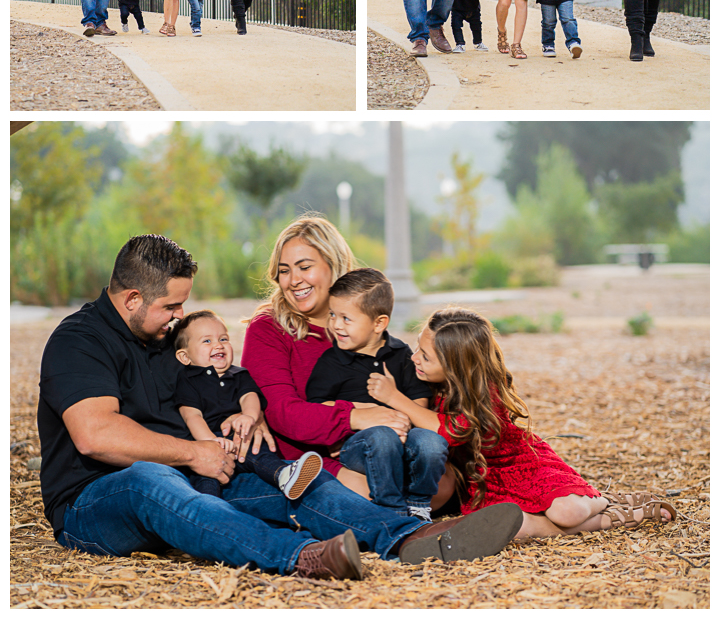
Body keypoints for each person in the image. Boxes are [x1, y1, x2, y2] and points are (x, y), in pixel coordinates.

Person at [37, 234, 521, 575]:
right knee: (149, 477)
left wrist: (244, 416)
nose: (179, 317)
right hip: (98, 503)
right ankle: (301, 556)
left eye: (183, 306)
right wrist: (191, 452)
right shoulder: (78, 341)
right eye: (171, 307)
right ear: (133, 297)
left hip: (202, 476)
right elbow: (95, 434)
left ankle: (408, 537)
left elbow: (218, 388)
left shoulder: (168, 339)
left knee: (295, 478)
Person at [241, 215, 522, 562]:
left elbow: (420, 387)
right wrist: (360, 416)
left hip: (391, 445)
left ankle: (417, 519)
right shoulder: (268, 329)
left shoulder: (365, 326)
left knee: (441, 479)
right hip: (316, 455)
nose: (293, 280)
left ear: (334, 266)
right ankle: (418, 536)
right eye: (284, 270)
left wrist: (409, 421)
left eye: (304, 266)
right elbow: (284, 413)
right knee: (362, 491)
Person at [367, 307, 678, 540]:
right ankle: (614, 516)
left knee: (566, 513)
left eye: (426, 356)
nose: (415, 358)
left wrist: (395, 398)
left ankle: (607, 503)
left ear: (458, 366)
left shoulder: (485, 392)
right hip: (484, 481)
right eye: (418, 349)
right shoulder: (428, 383)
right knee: (511, 526)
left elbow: (452, 431)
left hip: (523, 466)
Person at [305, 268, 448, 522]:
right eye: (332, 315)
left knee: (431, 443)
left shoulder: (400, 353)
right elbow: (317, 406)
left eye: (346, 319)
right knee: (382, 437)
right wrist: (360, 411)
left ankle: (418, 504)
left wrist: (397, 413)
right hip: (358, 445)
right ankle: (391, 512)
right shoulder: (331, 361)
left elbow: (419, 399)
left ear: (379, 323)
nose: (336, 325)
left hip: (405, 438)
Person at [173, 309, 323, 500]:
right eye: (207, 341)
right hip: (208, 444)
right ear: (185, 357)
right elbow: (192, 415)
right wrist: (209, 441)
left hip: (241, 438)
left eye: (224, 339)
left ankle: (284, 475)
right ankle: (207, 507)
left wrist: (249, 416)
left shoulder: (238, 374)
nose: (218, 345)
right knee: (206, 479)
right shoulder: (188, 380)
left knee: (259, 454)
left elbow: (249, 397)